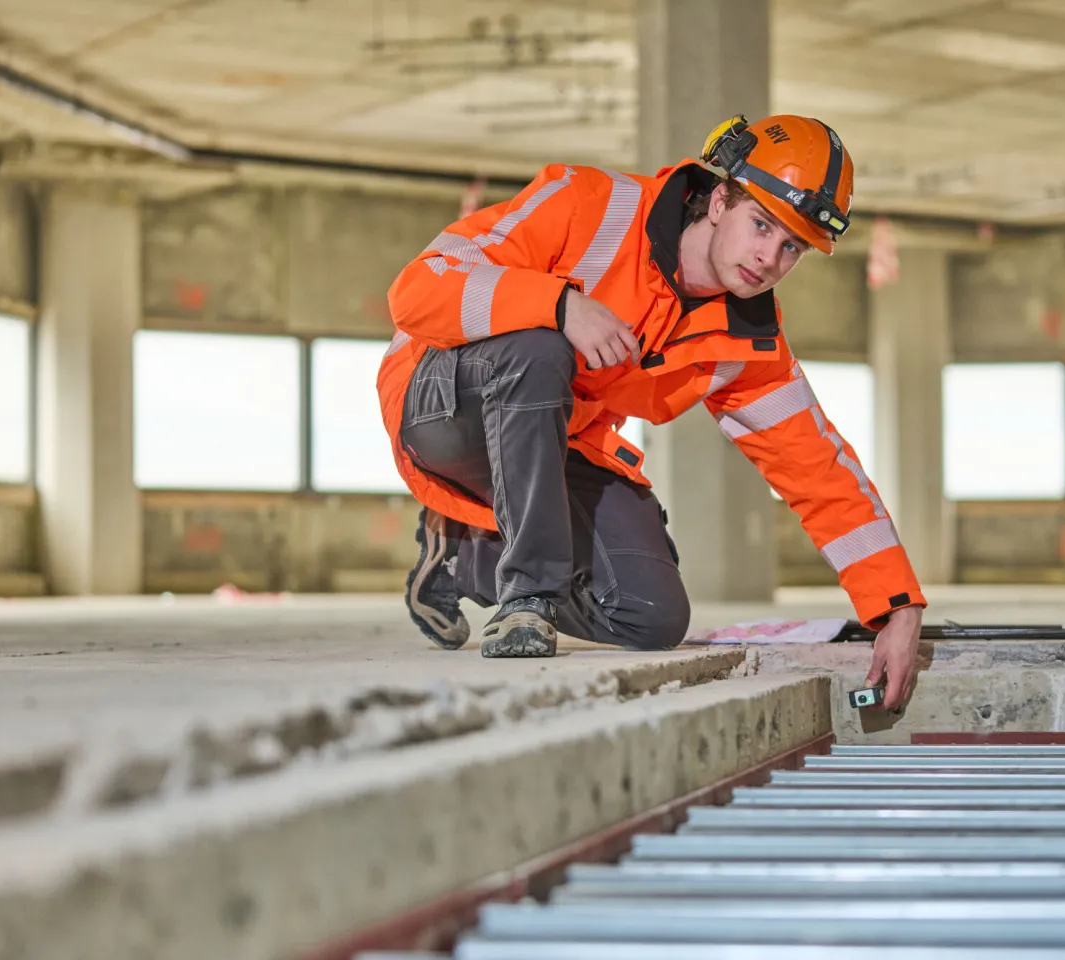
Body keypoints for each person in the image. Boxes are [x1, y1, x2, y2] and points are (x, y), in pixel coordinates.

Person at [375, 114, 927, 710]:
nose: (770, 257)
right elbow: (417, 288)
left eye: (792, 246)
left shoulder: (745, 342)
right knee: (539, 346)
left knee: (652, 615)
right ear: (719, 201)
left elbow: (818, 470)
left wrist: (896, 605)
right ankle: (526, 598)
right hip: (440, 401)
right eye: (761, 224)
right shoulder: (590, 206)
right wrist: (557, 305)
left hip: (554, 441)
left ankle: (462, 553)